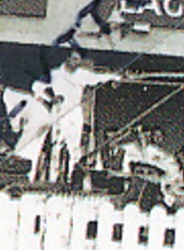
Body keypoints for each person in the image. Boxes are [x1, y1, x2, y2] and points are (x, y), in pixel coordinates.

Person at [44, 49, 126, 188]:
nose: (76, 63)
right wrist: (51, 98)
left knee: (74, 147)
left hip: (76, 111)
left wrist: (116, 76)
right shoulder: (55, 73)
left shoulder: (81, 74)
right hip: (61, 110)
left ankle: (71, 177)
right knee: (57, 144)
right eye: (74, 59)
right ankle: (53, 177)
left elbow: (98, 77)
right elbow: (39, 87)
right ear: (68, 58)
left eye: (78, 60)